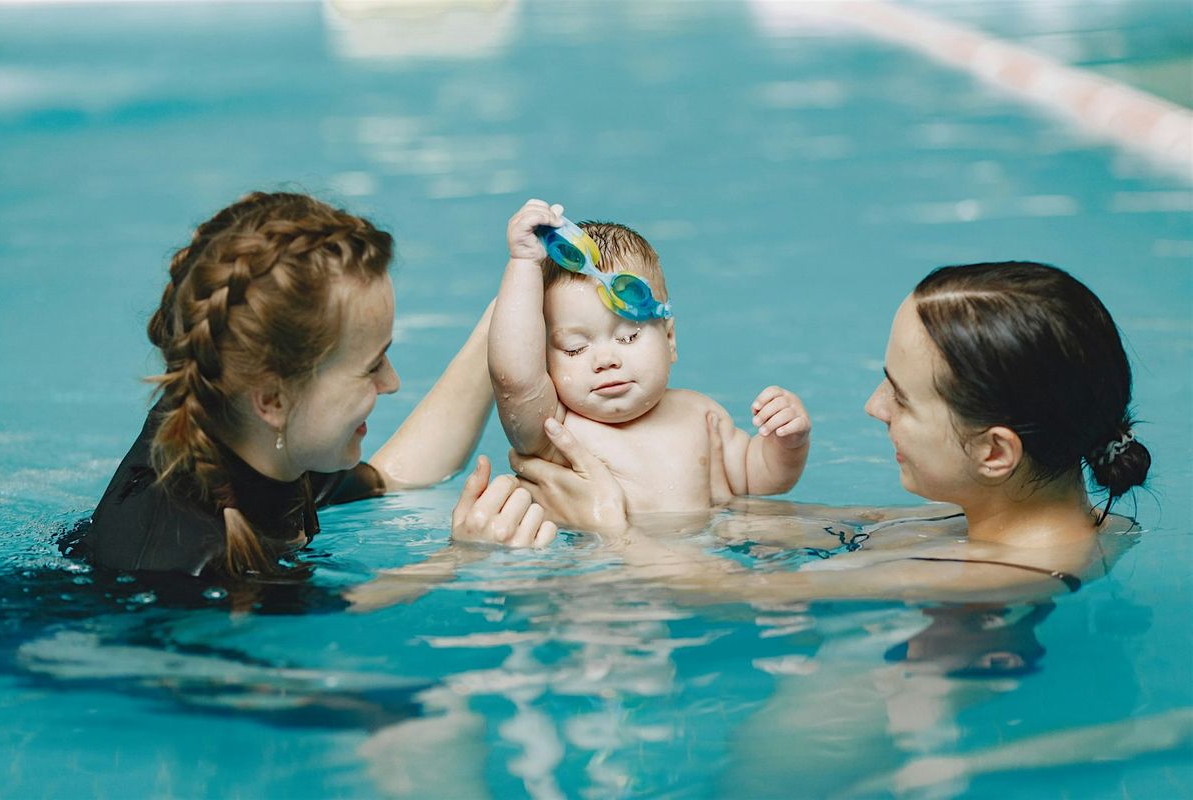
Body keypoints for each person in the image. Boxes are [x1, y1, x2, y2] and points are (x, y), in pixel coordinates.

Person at [61, 191, 625, 581]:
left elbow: (396, 475)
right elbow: (331, 625)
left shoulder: (230, 410)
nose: (393, 382)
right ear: (274, 400)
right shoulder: (192, 566)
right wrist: (460, 560)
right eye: (372, 365)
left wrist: (511, 315)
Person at [686, 260, 1150, 603]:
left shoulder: (991, 574)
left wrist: (617, 527)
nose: (873, 406)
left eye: (900, 396)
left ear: (993, 452)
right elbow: (861, 525)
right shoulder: (1035, 521)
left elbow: (737, 596)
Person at [488, 199, 812, 516]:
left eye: (628, 337)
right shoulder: (555, 430)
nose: (605, 360)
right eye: (574, 347)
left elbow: (762, 476)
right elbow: (515, 379)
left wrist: (787, 443)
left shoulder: (700, 413)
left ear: (669, 339)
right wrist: (524, 263)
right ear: (546, 362)